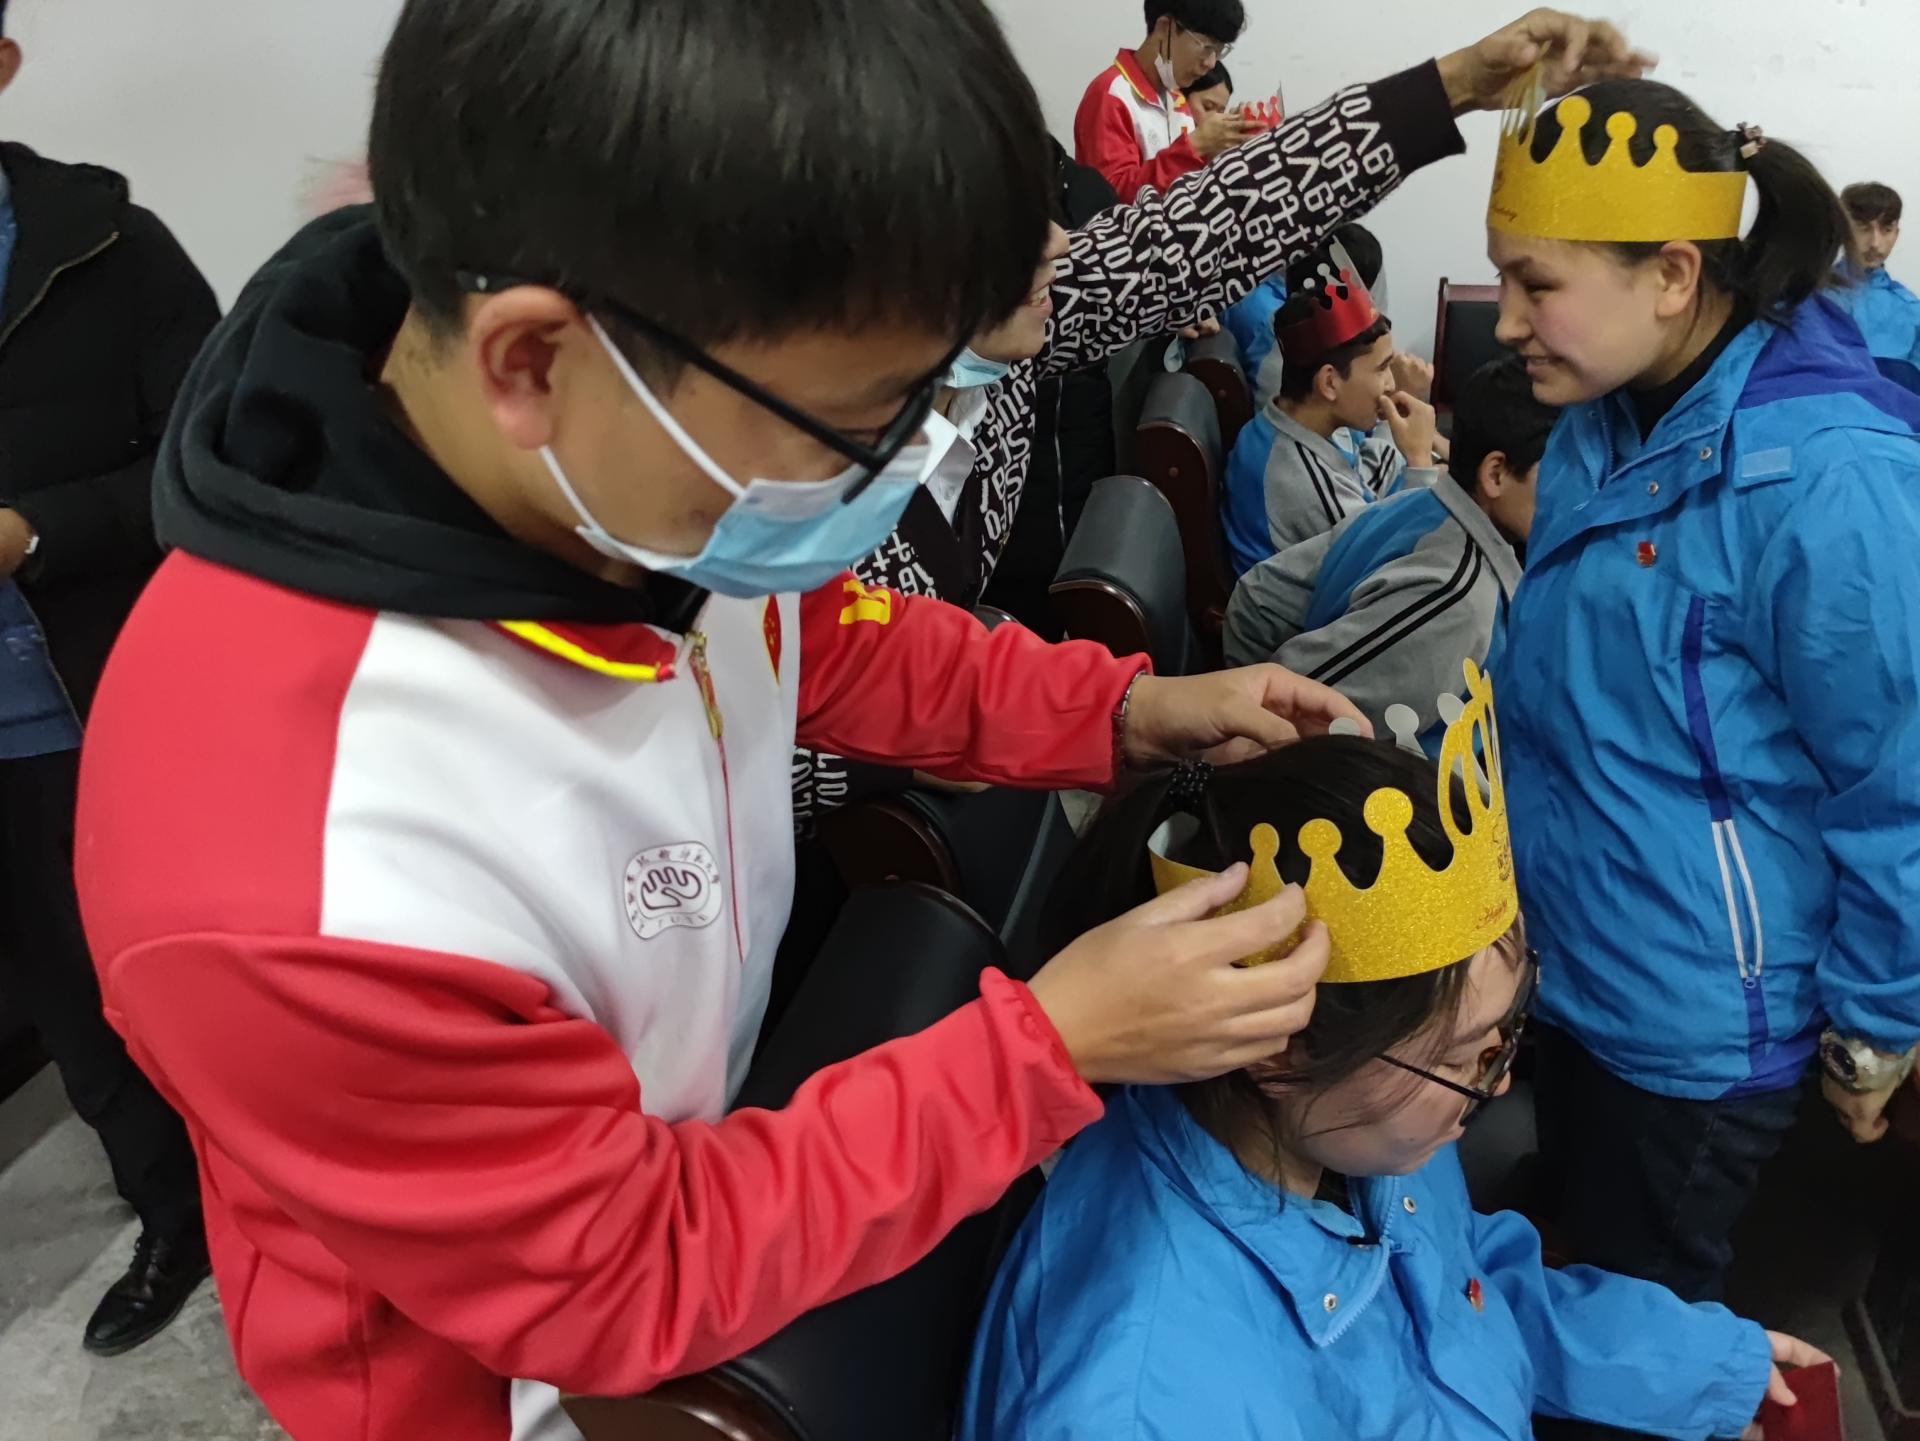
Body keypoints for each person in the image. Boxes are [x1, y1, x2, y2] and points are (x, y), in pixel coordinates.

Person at [73, 4, 1651, 1437]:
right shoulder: (294, 866)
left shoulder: (644, 490)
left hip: (719, 1114)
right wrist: (1046, 1049)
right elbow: (624, 1268)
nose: (912, 464)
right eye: (865, 420)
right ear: (534, 361)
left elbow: (822, 639)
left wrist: (1130, 708)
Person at [962, 687, 1829, 1441]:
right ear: (1277, 1046)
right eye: (1463, 1054)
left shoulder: (1348, 1128)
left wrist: (1699, 1366)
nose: (1495, 1081)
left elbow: (1464, 1288)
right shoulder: (1144, 1404)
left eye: (1506, 1031)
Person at [1490, 79, 1920, 1313]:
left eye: (1537, 284)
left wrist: (1876, 1026)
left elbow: (1898, 783)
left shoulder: (1832, 484)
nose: (1508, 322)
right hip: (1577, 956)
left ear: (1675, 275)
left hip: (1693, 1030)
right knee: (1580, 1262)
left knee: (1644, 1324)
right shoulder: (1607, 412)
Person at [0, 2, 221, 1356]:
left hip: (84, 711)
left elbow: (216, 464)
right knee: (60, 1012)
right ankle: (170, 1208)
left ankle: (206, 1218)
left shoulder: (110, 247)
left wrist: (35, 532)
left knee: (127, 993)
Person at [1224, 355, 1557, 744]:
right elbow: (1289, 711)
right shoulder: (1457, 599)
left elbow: (1264, 590)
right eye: (1561, 472)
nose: (1581, 496)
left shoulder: (1424, 503)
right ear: (1495, 474)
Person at [1220, 244, 1442, 577]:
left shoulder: (1311, 424)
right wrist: (1420, 462)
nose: (1391, 383)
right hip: (1314, 608)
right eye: (1382, 368)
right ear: (1329, 383)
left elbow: (1366, 478)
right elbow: (1393, 567)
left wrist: (1417, 459)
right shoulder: (1298, 478)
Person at [1074, 0, 1255, 203]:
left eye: (1219, 51)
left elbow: (1185, 188)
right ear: (1164, 28)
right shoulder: (1111, 95)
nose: (1211, 63)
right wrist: (1196, 146)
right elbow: (1110, 199)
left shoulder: (1175, 97)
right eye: (1207, 47)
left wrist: (1218, 150)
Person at [1835, 181, 1920, 391]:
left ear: (1896, 234)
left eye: (1887, 230)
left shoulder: (1911, 310)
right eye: (1863, 229)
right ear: (1842, 229)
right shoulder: (1809, 298)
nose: (1875, 243)